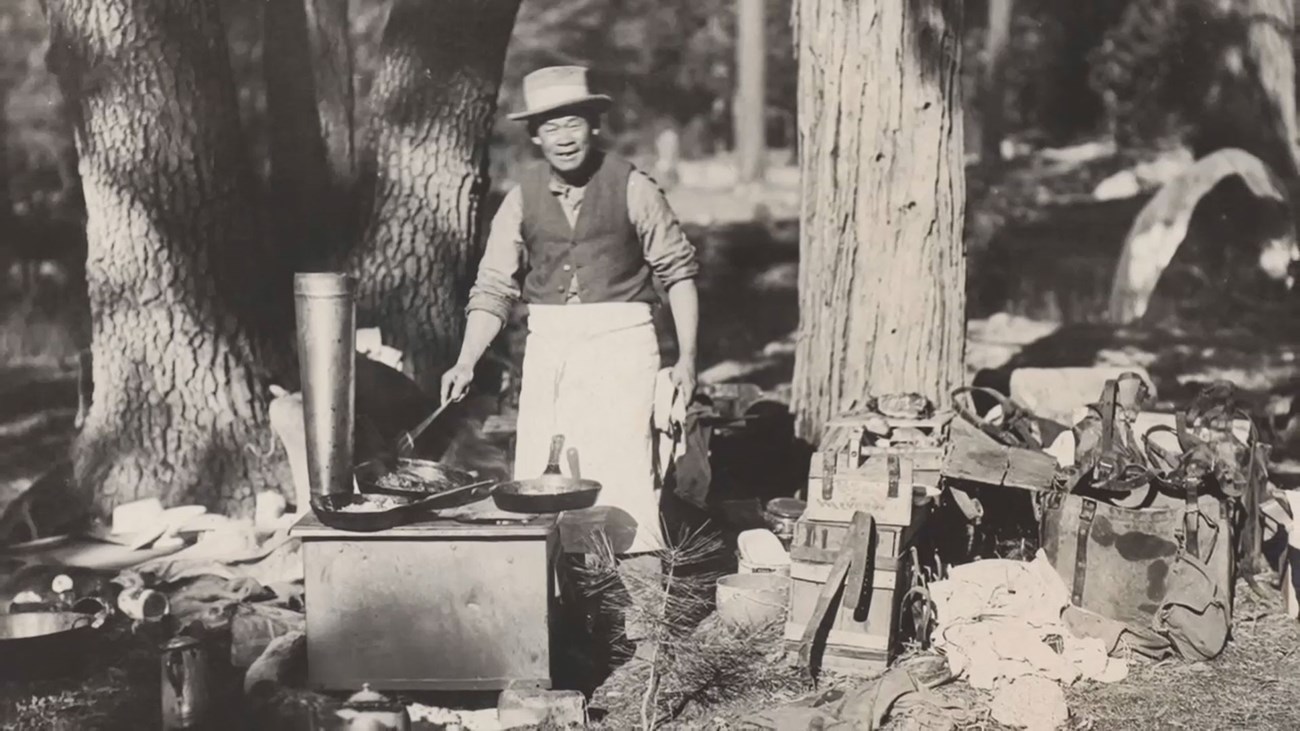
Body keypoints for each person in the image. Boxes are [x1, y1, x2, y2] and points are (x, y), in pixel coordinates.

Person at [441, 65, 700, 560]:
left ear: (594, 125)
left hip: (623, 344)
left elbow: (678, 273)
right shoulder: (521, 199)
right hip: (550, 349)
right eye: (551, 126)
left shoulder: (632, 186)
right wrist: (467, 359)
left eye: (573, 122)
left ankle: (640, 618)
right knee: (544, 482)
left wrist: (687, 358)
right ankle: (559, 611)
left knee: (625, 478)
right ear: (535, 136)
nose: (564, 137)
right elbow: (494, 286)